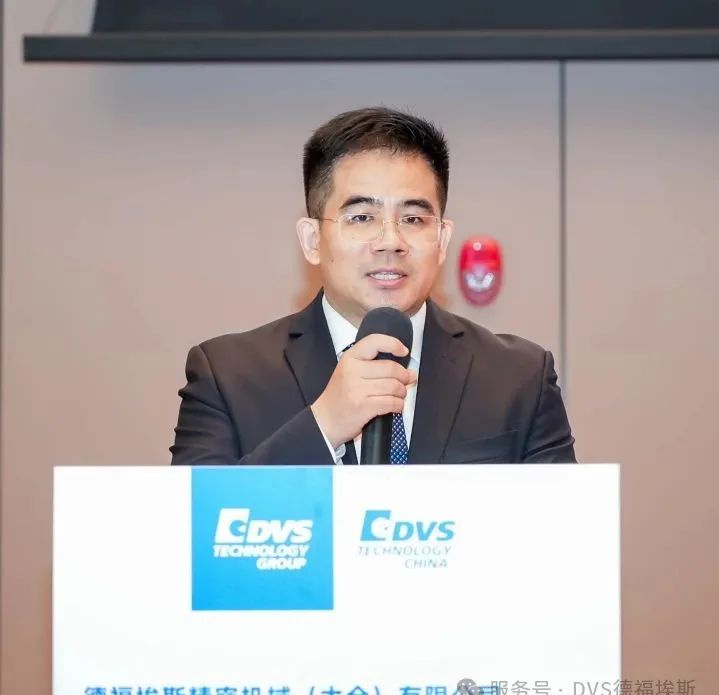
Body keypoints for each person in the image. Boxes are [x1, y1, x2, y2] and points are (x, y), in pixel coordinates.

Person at [170, 107, 576, 465]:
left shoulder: (519, 377)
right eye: (362, 217)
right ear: (312, 240)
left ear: (442, 240)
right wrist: (324, 426)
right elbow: (197, 520)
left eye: (413, 219)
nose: (390, 241)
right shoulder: (226, 376)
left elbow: (564, 523)